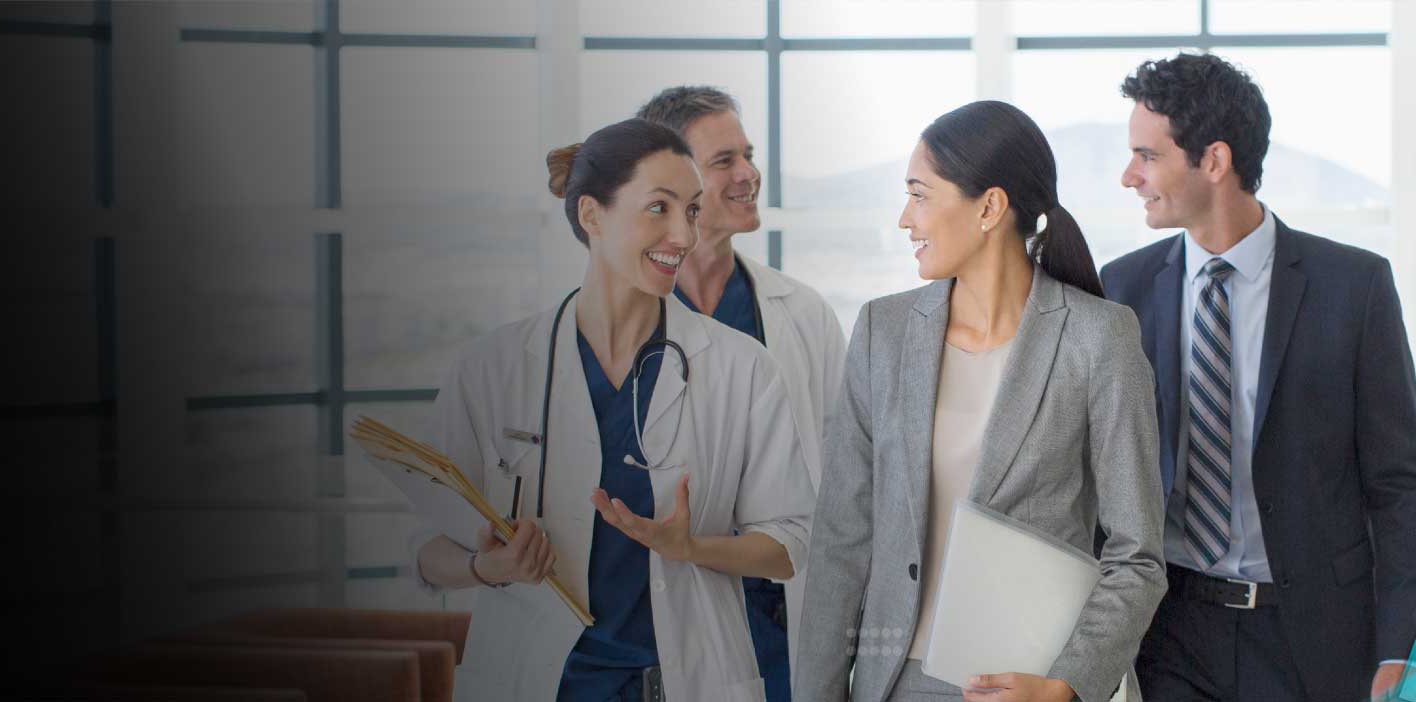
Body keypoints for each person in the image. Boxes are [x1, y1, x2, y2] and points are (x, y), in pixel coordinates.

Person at [409, 118, 815, 701]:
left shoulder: (740, 366)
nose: (683, 234)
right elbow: (426, 549)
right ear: (592, 215)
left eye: (693, 211)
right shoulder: (495, 367)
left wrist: (692, 548)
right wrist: (486, 569)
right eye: (659, 208)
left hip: (689, 682)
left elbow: (789, 542)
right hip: (537, 682)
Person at [793, 101, 1166, 702]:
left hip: (1028, 685)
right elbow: (842, 542)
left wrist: (1064, 685)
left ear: (989, 207)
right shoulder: (880, 333)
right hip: (894, 685)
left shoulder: (1099, 338)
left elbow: (1137, 555)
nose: (903, 218)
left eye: (919, 195)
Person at [1098, 51, 1416, 702]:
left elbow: (1398, 484)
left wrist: (1397, 645)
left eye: (1148, 155)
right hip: (1171, 632)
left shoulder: (1354, 288)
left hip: (1316, 636)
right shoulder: (1122, 289)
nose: (1129, 175)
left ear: (1213, 162)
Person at [637, 85, 848, 702]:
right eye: (724, 160)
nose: (748, 174)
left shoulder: (801, 313)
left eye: (747, 155)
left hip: (780, 611)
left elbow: (843, 470)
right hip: (667, 611)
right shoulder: (629, 317)